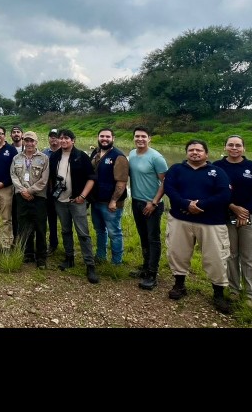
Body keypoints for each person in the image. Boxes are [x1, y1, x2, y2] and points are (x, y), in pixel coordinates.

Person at [163, 139, 233, 314]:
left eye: (199, 150)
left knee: (216, 258)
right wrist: (185, 204)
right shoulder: (176, 169)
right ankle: (179, 285)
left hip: (211, 222)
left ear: (206, 154)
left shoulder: (217, 172)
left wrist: (201, 204)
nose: (195, 152)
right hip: (180, 219)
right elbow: (169, 188)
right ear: (186, 153)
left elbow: (224, 194)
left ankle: (218, 294)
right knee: (177, 253)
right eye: (191, 150)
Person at [213, 135, 252, 308]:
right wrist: (232, 207)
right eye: (231, 145)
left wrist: (244, 212)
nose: (234, 148)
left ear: (244, 148)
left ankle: (251, 294)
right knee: (230, 255)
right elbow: (214, 190)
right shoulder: (217, 166)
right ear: (225, 147)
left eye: (238, 145)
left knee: (250, 256)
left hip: (251, 216)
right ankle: (234, 290)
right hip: (225, 215)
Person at [48, 128, 99, 284]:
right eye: (61, 138)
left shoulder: (81, 156)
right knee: (65, 230)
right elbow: (50, 177)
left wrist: (83, 196)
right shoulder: (54, 156)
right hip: (60, 201)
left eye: (67, 138)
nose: (63, 141)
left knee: (83, 233)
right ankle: (69, 258)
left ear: (73, 140)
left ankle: (90, 265)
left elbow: (91, 178)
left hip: (77, 201)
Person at [127, 126, 168, 290]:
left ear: (149, 138)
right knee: (143, 236)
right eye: (137, 136)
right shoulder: (131, 154)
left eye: (143, 136)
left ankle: (152, 273)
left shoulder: (156, 157)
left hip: (152, 204)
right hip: (136, 201)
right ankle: (145, 267)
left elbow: (165, 182)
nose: (140, 139)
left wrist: (154, 202)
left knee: (153, 238)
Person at [89, 128, 129, 265]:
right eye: (102, 136)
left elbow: (122, 182)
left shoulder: (119, 157)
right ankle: (100, 256)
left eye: (107, 136)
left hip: (111, 203)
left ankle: (117, 261)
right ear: (98, 137)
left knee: (114, 233)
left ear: (113, 138)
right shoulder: (96, 153)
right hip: (96, 200)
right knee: (99, 230)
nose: (104, 139)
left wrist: (113, 201)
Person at [11, 131, 49, 269]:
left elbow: (44, 179)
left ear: (36, 142)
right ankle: (28, 253)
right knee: (24, 226)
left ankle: (41, 257)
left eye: (31, 141)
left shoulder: (44, 158)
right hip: (21, 197)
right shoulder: (16, 158)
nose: (29, 143)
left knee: (40, 227)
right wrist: (23, 191)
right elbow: (13, 175)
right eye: (26, 141)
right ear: (23, 141)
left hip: (38, 198)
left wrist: (30, 191)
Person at [42, 128, 61, 256]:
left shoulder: (64, 152)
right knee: (50, 219)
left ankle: (69, 246)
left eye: (56, 136)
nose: (54, 139)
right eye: (51, 136)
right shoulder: (44, 153)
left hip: (63, 192)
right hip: (48, 192)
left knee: (66, 220)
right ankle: (52, 243)